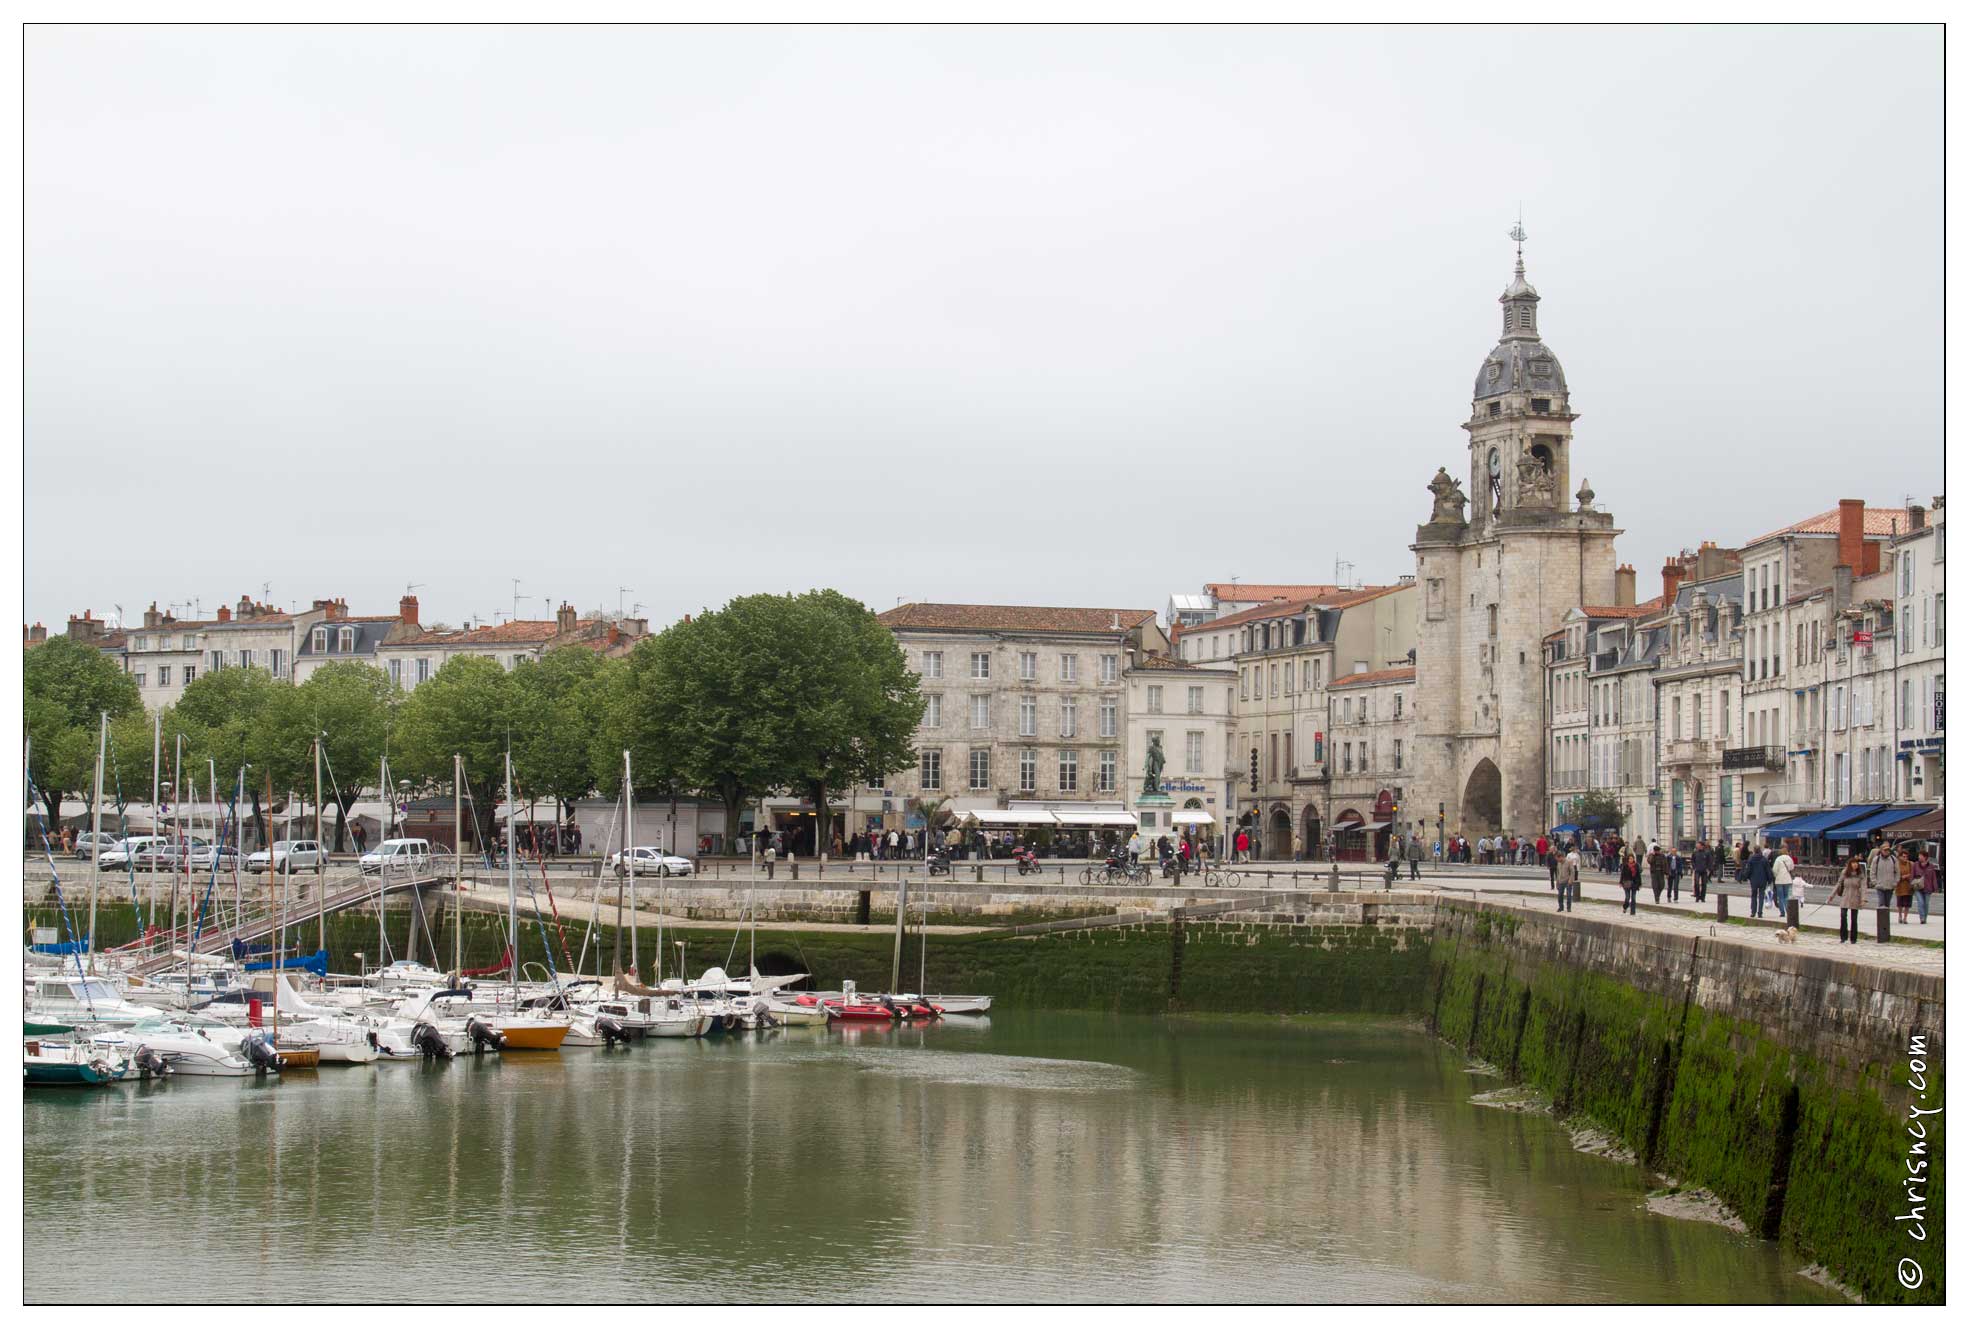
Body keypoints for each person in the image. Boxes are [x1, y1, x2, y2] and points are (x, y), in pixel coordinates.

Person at [1832, 854, 1868, 944]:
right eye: (1853, 863)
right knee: (1843, 916)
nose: (1855, 865)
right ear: (1849, 864)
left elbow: (1863, 887)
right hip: (1845, 896)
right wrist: (1831, 896)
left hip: (1856, 897)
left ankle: (1853, 938)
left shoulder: (1861, 875)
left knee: (1854, 919)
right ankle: (1843, 937)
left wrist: (1863, 899)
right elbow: (1839, 884)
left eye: (1856, 863)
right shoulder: (1845, 872)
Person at [1867, 839, 1899, 911]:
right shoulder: (1876, 859)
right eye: (1885, 850)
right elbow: (1872, 872)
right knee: (1881, 903)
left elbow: (1897, 872)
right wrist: (1875, 882)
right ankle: (1881, 920)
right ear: (1881, 850)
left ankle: (1885, 920)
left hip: (1890, 885)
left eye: (1888, 850)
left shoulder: (1893, 859)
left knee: (1887, 904)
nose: (1887, 851)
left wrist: (1895, 882)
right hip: (1880, 885)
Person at [1743, 845, 1772, 919]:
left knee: (1753, 895)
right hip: (1763, 880)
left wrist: (1746, 877)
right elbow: (1768, 870)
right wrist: (1769, 879)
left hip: (1754, 880)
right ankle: (1760, 912)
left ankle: (1753, 912)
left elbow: (1748, 870)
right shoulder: (1764, 859)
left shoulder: (1751, 859)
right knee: (1761, 896)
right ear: (1760, 850)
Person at [1770, 843, 1797, 917]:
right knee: (1786, 896)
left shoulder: (1778, 859)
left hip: (1779, 880)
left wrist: (1776, 876)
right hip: (1787, 879)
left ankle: (1782, 912)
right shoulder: (1789, 858)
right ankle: (1788, 911)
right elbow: (1792, 868)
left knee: (1780, 897)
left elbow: (1775, 870)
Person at [1913, 849, 1937, 925]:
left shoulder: (1931, 866)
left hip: (1928, 887)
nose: (1919, 857)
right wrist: (1911, 883)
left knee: (1926, 904)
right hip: (1918, 887)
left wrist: (1935, 887)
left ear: (1925, 857)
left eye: (1920, 856)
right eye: (1919, 855)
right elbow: (1912, 875)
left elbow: (1934, 877)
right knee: (1920, 902)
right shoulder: (1915, 864)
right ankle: (1922, 918)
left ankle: (1925, 918)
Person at [1894, 849, 1915, 925]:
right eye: (1903, 856)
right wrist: (1901, 877)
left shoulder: (1910, 864)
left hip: (1908, 887)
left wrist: (1908, 876)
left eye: (1906, 856)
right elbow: (1894, 875)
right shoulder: (1896, 864)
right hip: (1899, 887)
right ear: (1899, 857)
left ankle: (1905, 918)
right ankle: (1900, 916)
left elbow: (1913, 874)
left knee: (1907, 904)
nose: (1905, 858)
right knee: (1900, 904)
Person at [1617, 849, 1641, 915]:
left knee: (1633, 898)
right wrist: (1621, 882)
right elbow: (1622, 875)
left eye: (1632, 859)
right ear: (1628, 859)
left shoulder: (1636, 866)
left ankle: (1633, 912)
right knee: (1627, 898)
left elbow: (1638, 875)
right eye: (1630, 859)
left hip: (1634, 884)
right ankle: (1625, 907)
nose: (1631, 860)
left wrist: (1639, 884)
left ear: (1633, 859)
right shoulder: (1625, 866)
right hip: (1627, 883)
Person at [1557, 843, 1580, 912]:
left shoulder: (1569, 862)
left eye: (1558, 858)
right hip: (1561, 881)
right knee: (1560, 895)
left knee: (1569, 895)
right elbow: (1558, 872)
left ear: (1561, 857)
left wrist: (1570, 880)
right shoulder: (1558, 863)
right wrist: (1557, 881)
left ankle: (1568, 908)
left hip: (1568, 881)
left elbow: (1572, 871)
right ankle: (1561, 907)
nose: (1558, 860)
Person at [1691, 839, 1711, 903]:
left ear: (1702, 846)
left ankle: (1703, 897)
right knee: (1696, 883)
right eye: (1697, 845)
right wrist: (1694, 867)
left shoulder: (1707, 852)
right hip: (1697, 870)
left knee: (1704, 884)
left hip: (1704, 870)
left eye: (1699, 845)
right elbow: (1692, 860)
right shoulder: (1695, 852)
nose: (1697, 846)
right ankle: (1697, 896)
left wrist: (1708, 868)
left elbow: (1710, 861)